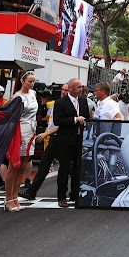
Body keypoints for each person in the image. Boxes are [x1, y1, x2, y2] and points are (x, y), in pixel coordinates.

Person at [20, 84, 70, 201]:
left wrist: (46, 134)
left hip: (62, 138)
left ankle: (70, 193)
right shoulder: (55, 103)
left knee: (67, 168)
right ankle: (32, 192)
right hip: (53, 138)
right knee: (44, 165)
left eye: (66, 90)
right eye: (62, 90)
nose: (63, 92)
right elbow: (47, 117)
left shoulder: (69, 105)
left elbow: (62, 124)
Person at [51, 78, 89, 207]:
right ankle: (61, 197)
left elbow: (86, 118)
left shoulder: (83, 101)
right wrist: (74, 119)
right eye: (79, 87)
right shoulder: (61, 102)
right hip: (66, 139)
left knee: (78, 168)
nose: (81, 89)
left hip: (79, 139)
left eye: (82, 87)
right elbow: (57, 120)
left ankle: (75, 194)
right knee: (64, 168)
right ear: (71, 88)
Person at [4, 71, 38, 212]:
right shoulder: (16, 97)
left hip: (32, 131)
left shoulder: (33, 93)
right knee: (14, 166)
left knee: (23, 166)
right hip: (20, 131)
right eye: (29, 81)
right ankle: (8, 199)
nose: (32, 84)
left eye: (33, 81)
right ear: (23, 81)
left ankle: (15, 196)